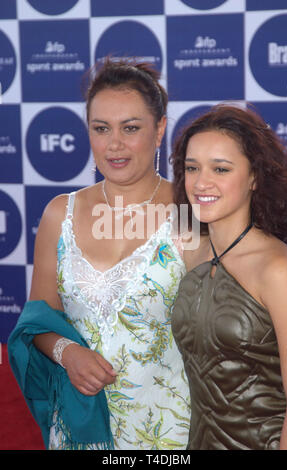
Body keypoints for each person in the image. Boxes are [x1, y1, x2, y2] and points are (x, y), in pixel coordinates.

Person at [8, 58, 190, 450]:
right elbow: (38, 322)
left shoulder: (190, 214)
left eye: (131, 128)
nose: (115, 144)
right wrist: (67, 351)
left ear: (159, 129)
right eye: (101, 128)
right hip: (79, 430)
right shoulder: (61, 214)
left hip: (170, 432)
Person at [170, 103, 287, 450]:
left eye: (220, 169)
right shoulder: (191, 254)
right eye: (192, 168)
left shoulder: (278, 269)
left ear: (255, 176)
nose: (201, 182)